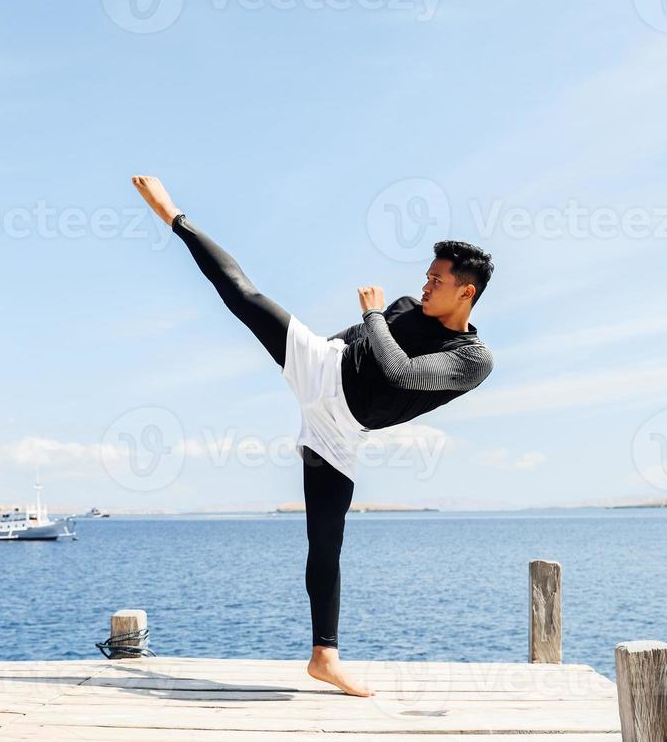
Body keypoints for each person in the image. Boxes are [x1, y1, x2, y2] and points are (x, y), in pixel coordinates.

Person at [130, 176, 495, 697]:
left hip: (341, 429)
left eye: (436, 279)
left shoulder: (471, 359)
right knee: (244, 295)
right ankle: (174, 216)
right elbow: (355, 343)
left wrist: (372, 314)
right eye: (426, 274)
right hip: (323, 367)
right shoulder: (404, 310)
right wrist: (304, 351)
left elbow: (397, 373)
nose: (425, 285)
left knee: (325, 542)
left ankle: (324, 657)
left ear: (467, 291)